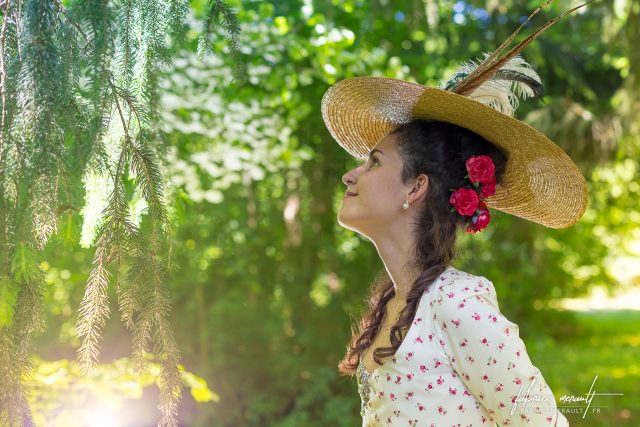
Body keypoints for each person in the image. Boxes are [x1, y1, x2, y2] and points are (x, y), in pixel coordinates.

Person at [320, 2, 594, 425]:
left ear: (416, 187)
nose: (350, 175)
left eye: (374, 162)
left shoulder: (457, 302)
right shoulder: (392, 302)